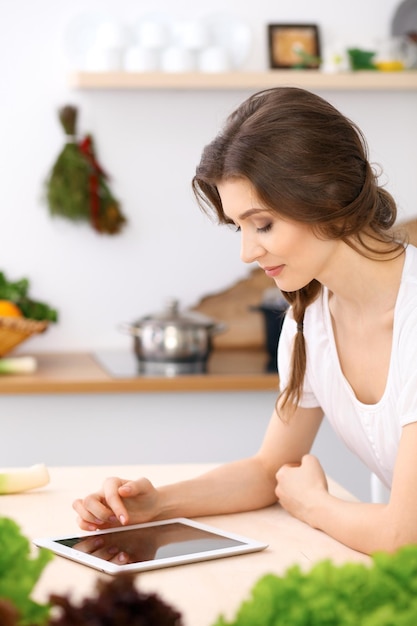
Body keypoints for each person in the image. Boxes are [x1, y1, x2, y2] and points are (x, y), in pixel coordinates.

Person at [73, 87, 417, 556]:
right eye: (240, 227)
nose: (247, 252)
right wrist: (157, 504)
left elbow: (404, 536)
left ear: (329, 195)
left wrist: (314, 504)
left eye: (264, 224)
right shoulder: (309, 321)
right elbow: (267, 469)